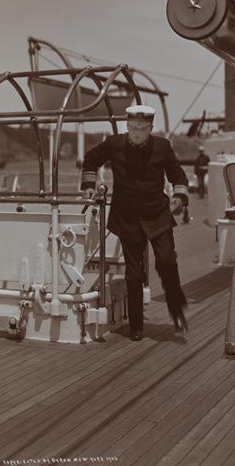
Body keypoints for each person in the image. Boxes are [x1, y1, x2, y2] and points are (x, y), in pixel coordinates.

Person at [81, 105, 189, 341]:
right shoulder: (114, 144)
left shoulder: (162, 146)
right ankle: (136, 326)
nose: (137, 133)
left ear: (150, 128)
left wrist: (180, 195)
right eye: (133, 128)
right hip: (127, 217)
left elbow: (177, 174)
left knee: (167, 261)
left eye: (142, 129)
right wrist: (88, 186)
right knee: (134, 274)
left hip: (157, 214)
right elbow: (90, 159)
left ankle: (177, 310)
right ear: (127, 126)